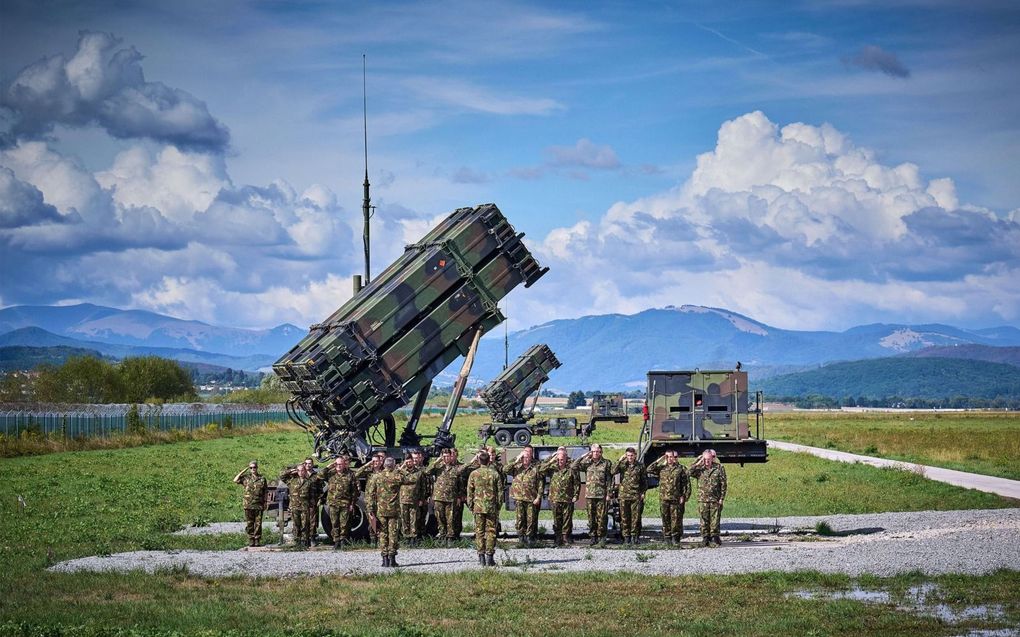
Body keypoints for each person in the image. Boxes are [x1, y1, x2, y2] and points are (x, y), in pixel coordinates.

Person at [367, 457, 408, 567]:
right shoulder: (397, 476)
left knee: (383, 534)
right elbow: (406, 478)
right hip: (394, 511)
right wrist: (399, 468)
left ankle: (384, 560)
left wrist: (371, 509)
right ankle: (392, 559)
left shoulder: (376, 477)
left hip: (381, 511)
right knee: (393, 534)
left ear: (384, 465)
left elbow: (371, 494)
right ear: (393, 465)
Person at [426, 448, 470, 546]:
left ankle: (450, 537)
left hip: (451, 498)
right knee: (440, 518)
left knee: (450, 518)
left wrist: (459, 496)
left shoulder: (455, 468)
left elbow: (461, 480)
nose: (446, 458)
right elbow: (427, 471)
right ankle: (442, 535)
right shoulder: (438, 467)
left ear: (451, 456)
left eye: (448, 456)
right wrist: (438, 460)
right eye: (444, 456)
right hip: (439, 498)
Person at [572, 444, 613, 547]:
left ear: (601, 452)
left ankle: (602, 537)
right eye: (594, 451)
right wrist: (585, 456)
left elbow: (609, 479)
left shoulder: (606, 463)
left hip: (601, 495)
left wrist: (609, 493)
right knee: (591, 517)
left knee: (602, 518)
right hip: (590, 495)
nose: (596, 453)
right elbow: (573, 466)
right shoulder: (587, 463)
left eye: (598, 451)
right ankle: (593, 537)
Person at [467, 451, 504, 566]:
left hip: (478, 507)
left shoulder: (473, 474)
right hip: (491, 507)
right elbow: (500, 492)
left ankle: (481, 557)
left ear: (479, 461)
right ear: (489, 461)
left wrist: (471, 505)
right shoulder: (494, 474)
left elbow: (469, 491)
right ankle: (490, 557)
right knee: (491, 532)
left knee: (479, 532)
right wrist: (498, 506)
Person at [647, 450, 691, 546]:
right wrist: (660, 459)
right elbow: (649, 469)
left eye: (671, 457)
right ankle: (667, 538)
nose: (670, 459)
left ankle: (675, 538)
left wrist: (684, 496)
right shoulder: (662, 468)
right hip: (664, 498)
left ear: (675, 458)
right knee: (665, 518)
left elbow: (686, 484)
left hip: (676, 498)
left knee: (676, 519)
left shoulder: (681, 469)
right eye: (667, 457)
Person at [539, 447, 579, 547]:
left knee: (567, 519)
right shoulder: (552, 468)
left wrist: (576, 495)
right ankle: (558, 537)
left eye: (562, 459)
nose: (560, 461)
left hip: (568, 498)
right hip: (555, 498)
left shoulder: (571, 468)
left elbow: (576, 483)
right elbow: (541, 469)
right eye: (558, 459)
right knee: (557, 519)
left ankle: (566, 537)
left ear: (566, 458)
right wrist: (552, 459)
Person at [505, 445, 543, 547]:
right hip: (518, 498)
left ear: (531, 457)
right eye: (524, 457)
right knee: (520, 519)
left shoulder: (535, 467)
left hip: (531, 498)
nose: (526, 459)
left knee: (531, 519)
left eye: (528, 457)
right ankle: (521, 538)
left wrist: (539, 497)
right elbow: (505, 469)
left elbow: (540, 483)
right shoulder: (517, 467)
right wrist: (517, 459)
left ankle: (530, 538)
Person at [689, 449, 727, 547]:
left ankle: (714, 537)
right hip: (703, 499)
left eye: (708, 459)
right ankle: (705, 537)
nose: (707, 461)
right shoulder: (700, 469)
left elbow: (723, 484)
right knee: (703, 519)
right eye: (705, 459)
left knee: (715, 519)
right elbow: (689, 472)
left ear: (712, 458)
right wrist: (699, 461)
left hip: (715, 498)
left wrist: (721, 498)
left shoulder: (719, 468)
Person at [321, 456, 360, 549]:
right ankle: (336, 541)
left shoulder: (350, 475)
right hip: (333, 503)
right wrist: (329, 466)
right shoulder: (330, 474)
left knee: (344, 523)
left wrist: (352, 503)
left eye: (340, 464)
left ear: (344, 465)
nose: (338, 466)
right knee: (334, 523)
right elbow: (320, 475)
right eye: (337, 464)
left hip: (345, 503)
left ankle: (343, 540)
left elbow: (354, 491)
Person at [279, 463, 321, 548]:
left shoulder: (309, 482)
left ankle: (304, 541)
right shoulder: (292, 481)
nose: (301, 472)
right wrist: (291, 470)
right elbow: (282, 476)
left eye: (302, 470)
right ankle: (297, 540)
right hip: (294, 506)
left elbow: (312, 496)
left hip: (305, 507)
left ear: (305, 471)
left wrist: (312, 506)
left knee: (305, 524)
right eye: (299, 470)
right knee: (296, 524)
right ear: (297, 471)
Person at [614, 447, 647, 544]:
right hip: (624, 495)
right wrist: (620, 460)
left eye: (632, 455)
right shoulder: (622, 465)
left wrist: (643, 493)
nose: (630, 457)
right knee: (624, 517)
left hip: (635, 495)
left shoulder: (640, 466)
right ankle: (626, 537)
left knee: (635, 518)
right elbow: (613, 471)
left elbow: (644, 482)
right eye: (628, 455)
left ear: (635, 455)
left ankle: (634, 537)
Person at [233, 460, 267, 547]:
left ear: (257, 468)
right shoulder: (246, 478)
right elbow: (235, 480)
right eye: (251, 468)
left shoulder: (262, 478)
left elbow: (265, 492)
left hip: (259, 504)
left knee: (258, 523)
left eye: (254, 467)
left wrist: (266, 502)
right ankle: (251, 539)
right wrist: (243, 470)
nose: (253, 469)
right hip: (248, 504)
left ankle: (257, 540)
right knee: (250, 523)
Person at [355, 452, 385, 547]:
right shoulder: (369, 472)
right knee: (371, 520)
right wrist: (367, 464)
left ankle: (381, 539)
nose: (375, 463)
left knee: (381, 520)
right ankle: (373, 539)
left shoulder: (384, 472)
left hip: (382, 500)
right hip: (370, 500)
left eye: (377, 461)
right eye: (374, 461)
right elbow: (356, 474)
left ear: (381, 462)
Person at [398, 452, 426, 545]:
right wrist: (402, 466)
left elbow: (423, 487)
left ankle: (413, 538)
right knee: (404, 519)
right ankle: (406, 537)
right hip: (403, 500)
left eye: (410, 462)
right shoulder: (401, 472)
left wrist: (422, 499)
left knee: (414, 519)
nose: (409, 463)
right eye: (407, 462)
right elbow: (393, 477)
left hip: (414, 500)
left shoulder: (418, 472)